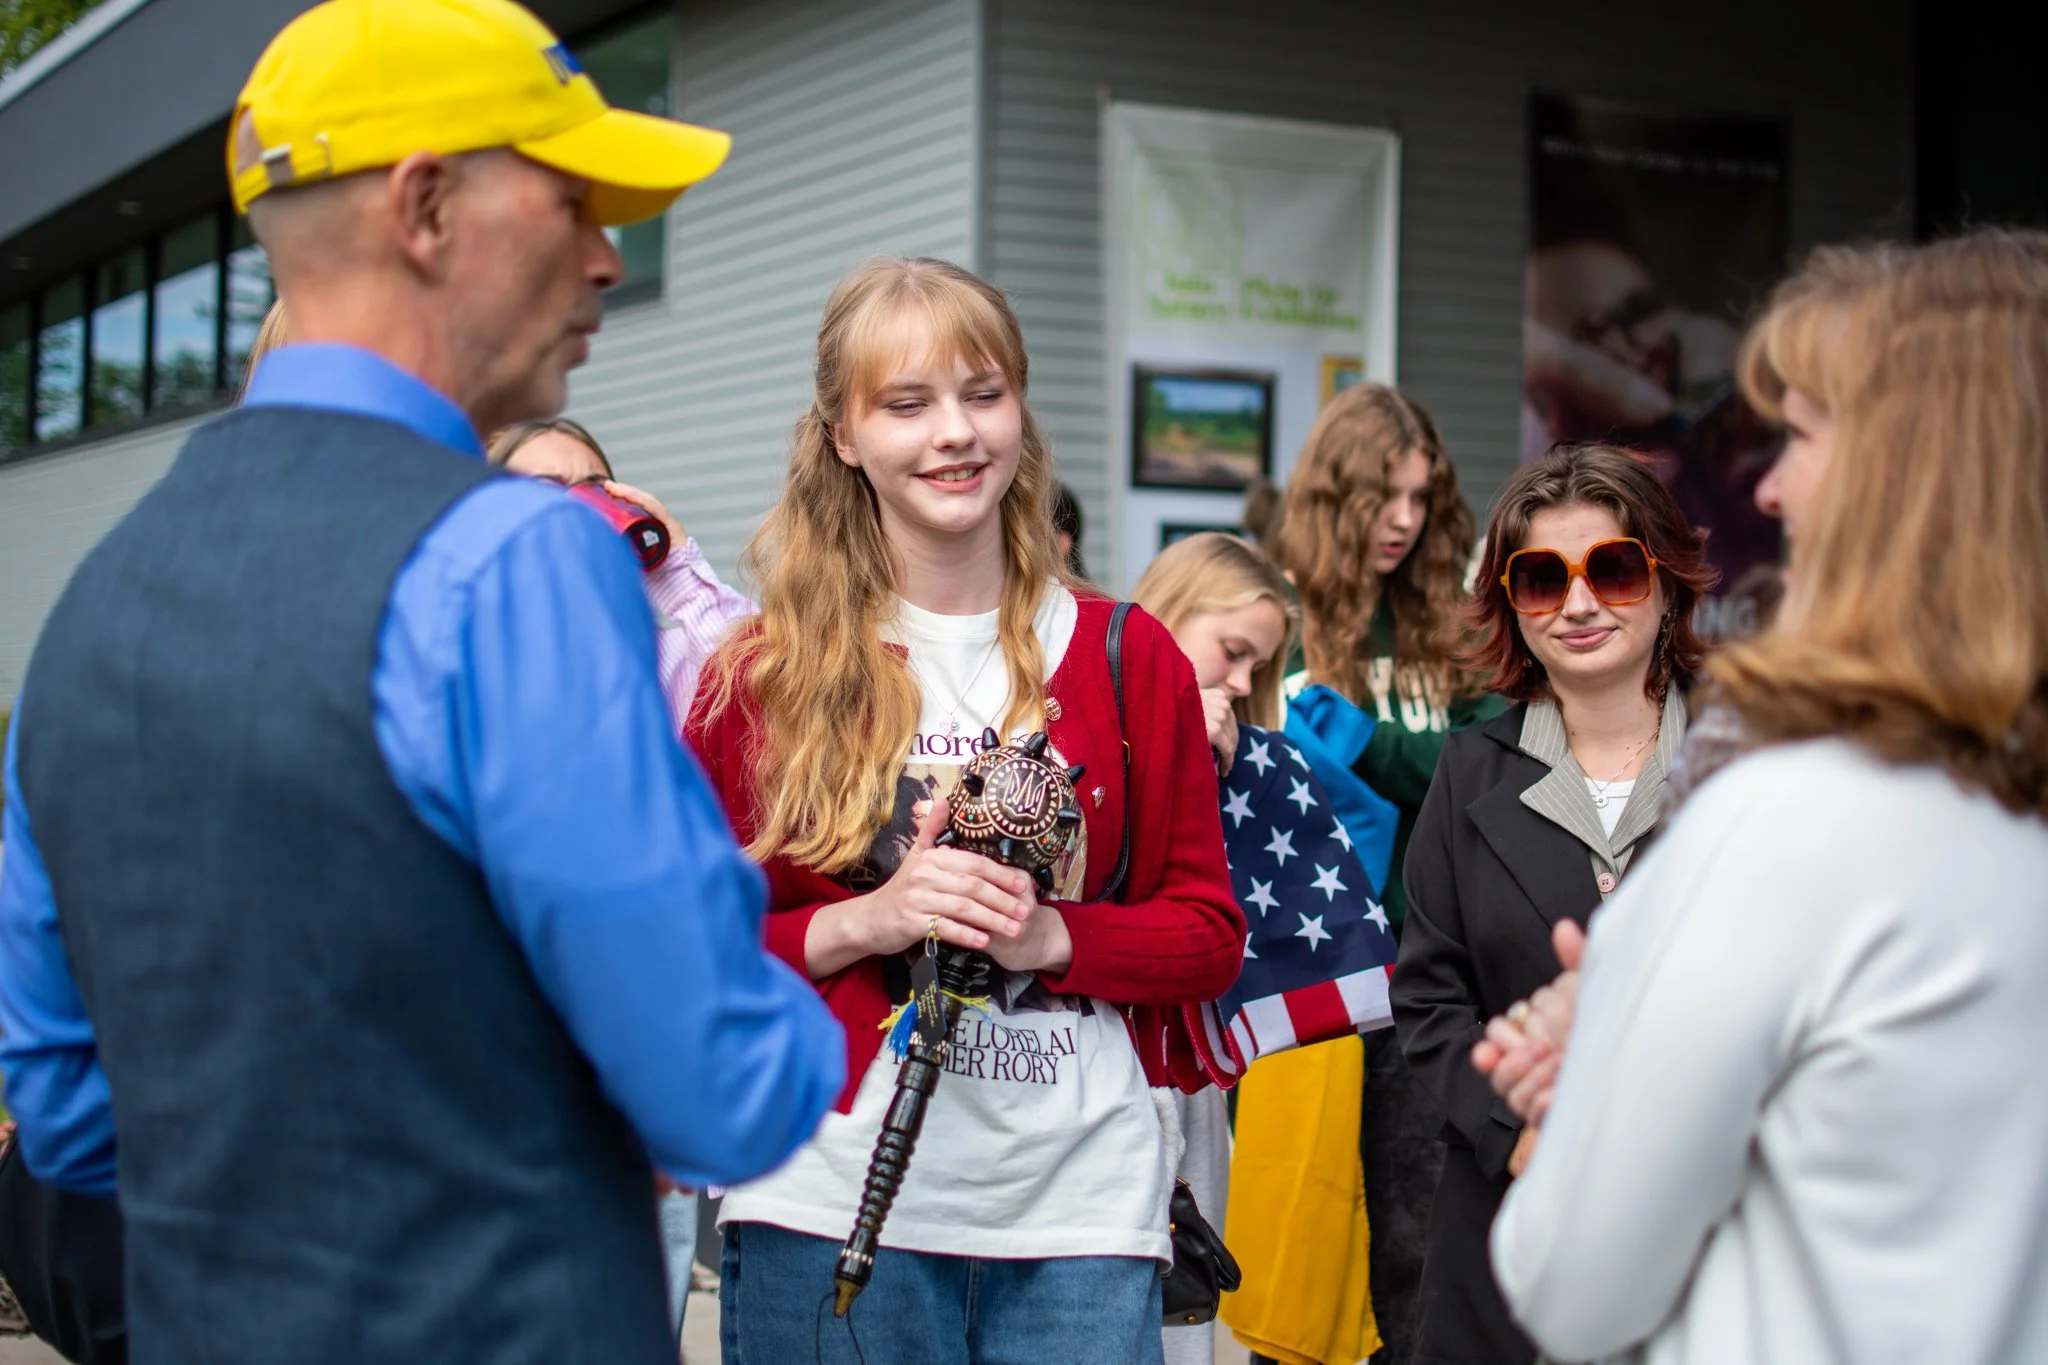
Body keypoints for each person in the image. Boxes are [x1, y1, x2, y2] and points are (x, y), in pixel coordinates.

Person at [0, 4, 844, 1363]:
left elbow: (69, 1109)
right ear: (427, 206)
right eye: (574, 201)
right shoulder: (513, 566)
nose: (607, 259)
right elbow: (723, 1086)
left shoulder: (92, 608)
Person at [1477, 230, 2048, 1363]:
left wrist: (1601, 1062)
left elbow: (1567, 1282)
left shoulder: (1793, 824)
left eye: (1797, 434)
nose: (1772, 489)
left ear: (1913, 478)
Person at [687, 256, 1243, 1365]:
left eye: (982, 394)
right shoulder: (761, 673)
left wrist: (1053, 936)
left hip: (1076, 1212)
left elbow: (1208, 936)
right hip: (824, 1194)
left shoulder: (1129, 656)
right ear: (843, 435)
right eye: (907, 403)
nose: (955, 433)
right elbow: (687, 952)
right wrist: (872, 918)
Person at [1391, 443, 1713, 1364]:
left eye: (1611, 570)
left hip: (1703, 1219)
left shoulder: (1751, 764)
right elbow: (1430, 999)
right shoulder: (1467, 770)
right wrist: (1518, 1135)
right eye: (1540, 579)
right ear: (1510, 604)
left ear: (1666, 583)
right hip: (1507, 1224)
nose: (1578, 605)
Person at [1274, 382, 1504, 1363]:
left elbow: (1486, 776)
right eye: (1384, 497)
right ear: (1333, 497)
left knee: (1413, 1247)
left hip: (1422, 978)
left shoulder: (1455, 632)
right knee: (1303, 1255)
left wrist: (1372, 753)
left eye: (1422, 498)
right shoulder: (1276, 621)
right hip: (1299, 982)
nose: (1405, 522)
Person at [1132, 531, 1391, 1365]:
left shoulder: (1246, 755)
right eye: (1233, 653)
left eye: (1258, 669)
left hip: (1187, 1089)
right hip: (1086, 1064)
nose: (1242, 685)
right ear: (1169, 613)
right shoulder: (1069, 709)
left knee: (1185, 1329)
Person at [489, 417, 754, 732]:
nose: (579, 511)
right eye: (547, 490)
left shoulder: (664, 661)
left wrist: (674, 570)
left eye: (595, 491)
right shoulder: (472, 657)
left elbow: (761, 696)